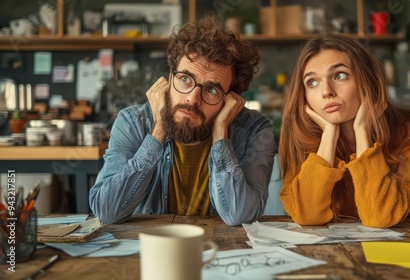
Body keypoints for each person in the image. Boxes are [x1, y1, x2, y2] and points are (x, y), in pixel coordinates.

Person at [89, 15, 277, 226]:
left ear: (230, 100)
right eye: (185, 79)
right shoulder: (133, 122)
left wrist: (220, 132)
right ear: (170, 79)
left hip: (222, 250)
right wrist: (159, 128)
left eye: (212, 90)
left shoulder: (256, 131)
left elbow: (239, 215)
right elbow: (106, 211)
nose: (192, 98)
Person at [278, 34, 410, 228]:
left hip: (409, 243)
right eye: (312, 82)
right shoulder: (300, 135)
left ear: (368, 81)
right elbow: (307, 216)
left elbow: (380, 216)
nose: (326, 91)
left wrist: (362, 130)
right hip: (334, 251)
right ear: (305, 97)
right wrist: (329, 136)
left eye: (339, 75)